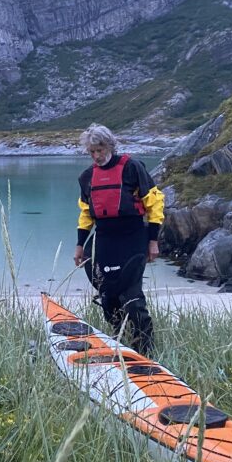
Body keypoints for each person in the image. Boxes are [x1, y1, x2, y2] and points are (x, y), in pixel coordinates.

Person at [73, 124, 165, 357]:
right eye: (91, 151)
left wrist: (152, 241)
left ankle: (146, 349)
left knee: (132, 297)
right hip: (104, 238)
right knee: (108, 297)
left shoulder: (132, 168)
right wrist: (80, 245)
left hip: (133, 236)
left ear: (110, 145)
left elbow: (155, 203)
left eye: (100, 149)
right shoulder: (86, 177)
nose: (96, 156)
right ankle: (121, 341)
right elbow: (86, 214)